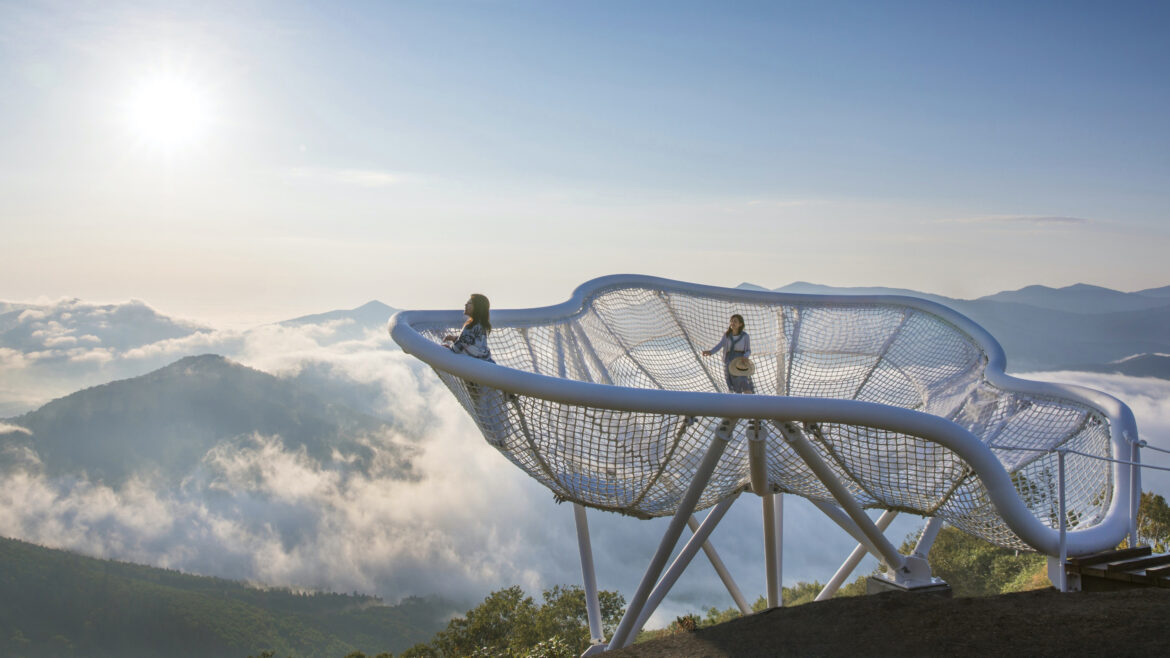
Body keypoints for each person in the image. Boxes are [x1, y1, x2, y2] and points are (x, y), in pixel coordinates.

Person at [702, 314, 754, 393]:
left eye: (735, 321)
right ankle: (735, 402)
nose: (732, 323)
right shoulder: (726, 335)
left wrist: (745, 357)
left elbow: (748, 350)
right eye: (731, 321)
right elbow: (719, 345)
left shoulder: (745, 336)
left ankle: (750, 401)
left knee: (743, 380)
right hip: (729, 361)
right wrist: (710, 352)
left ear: (740, 324)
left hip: (740, 361)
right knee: (732, 384)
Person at [444, 293, 494, 362]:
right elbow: (472, 344)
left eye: (469, 303)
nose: (466, 305)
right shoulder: (481, 325)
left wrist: (449, 348)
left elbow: (459, 348)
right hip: (487, 362)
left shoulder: (472, 326)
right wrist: (454, 339)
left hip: (477, 366)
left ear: (477, 307)